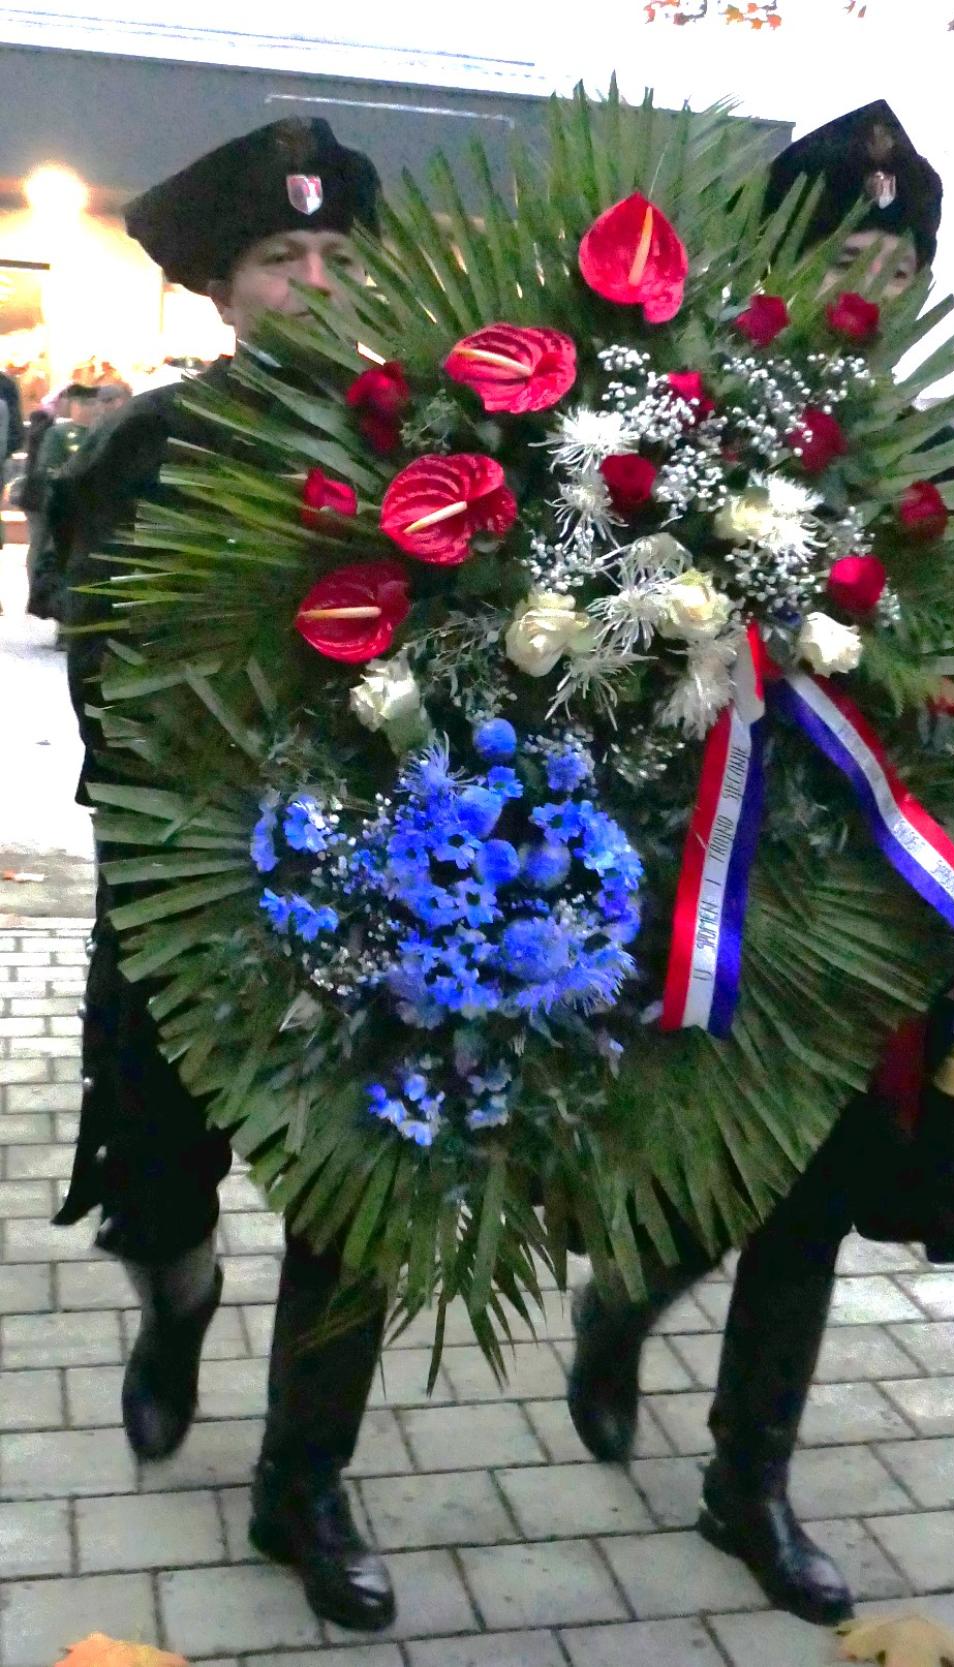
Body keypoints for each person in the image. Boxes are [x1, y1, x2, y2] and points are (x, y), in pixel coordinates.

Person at [567, 101, 954, 1629]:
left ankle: (749, 1479)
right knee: (718, 1142)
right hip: (714, 863)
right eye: (846, 252)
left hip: (872, 875)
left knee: (815, 1185)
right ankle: (628, 1295)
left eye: (899, 259)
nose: (874, 281)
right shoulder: (699, 410)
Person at [52, 118, 397, 1633]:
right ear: (220, 288)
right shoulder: (152, 445)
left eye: (334, 253)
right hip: (189, 885)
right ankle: (175, 1305)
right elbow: (108, 678)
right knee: (156, 1181)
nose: (312, 279)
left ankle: (303, 1482)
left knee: (361, 1199)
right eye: (278, 255)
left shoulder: (432, 444)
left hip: (392, 894)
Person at [26, 384, 101, 622]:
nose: (89, 409)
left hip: (90, 505)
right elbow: (47, 468)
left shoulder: (101, 432)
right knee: (49, 554)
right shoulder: (59, 434)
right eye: (84, 404)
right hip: (60, 504)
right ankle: (47, 602)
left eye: (93, 403)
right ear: (74, 405)